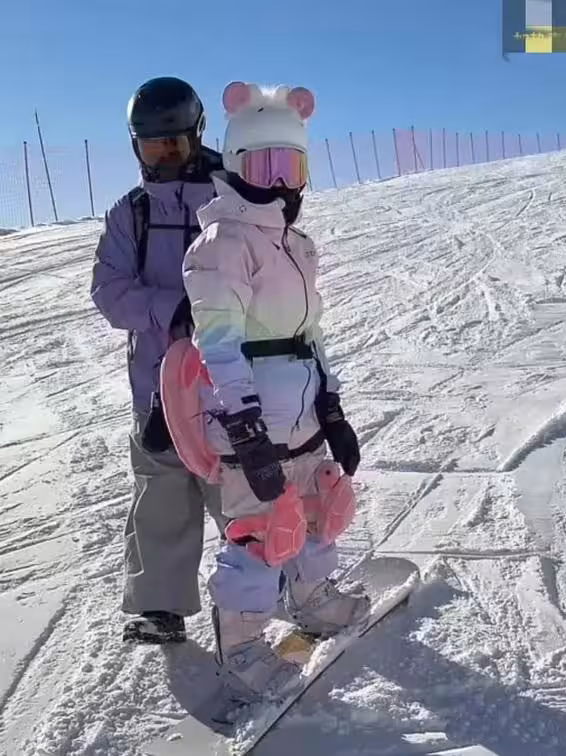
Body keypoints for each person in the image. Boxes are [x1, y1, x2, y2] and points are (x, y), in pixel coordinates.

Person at [162, 80, 371, 706]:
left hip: (302, 416)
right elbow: (218, 343)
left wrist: (331, 405)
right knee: (261, 531)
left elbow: (311, 334)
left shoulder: (296, 246)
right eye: (264, 166)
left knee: (317, 509)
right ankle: (244, 646)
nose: (280, 183)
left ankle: (313, 598)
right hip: (251, 419)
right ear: (234, 165)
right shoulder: (221, 245)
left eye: (291, 166)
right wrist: (245, 425)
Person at [90, 76, 228, 644]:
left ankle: (281, 583)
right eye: (153, 146)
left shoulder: (232, 197)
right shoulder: (132, 214)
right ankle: (159, 606)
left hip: (230, 378)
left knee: (245, 488)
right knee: (162, 493)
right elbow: (109, 291)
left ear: (197, 134)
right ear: (136, 146)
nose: (165, 154)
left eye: (175, 142)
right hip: (159, 384)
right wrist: (173, 309)